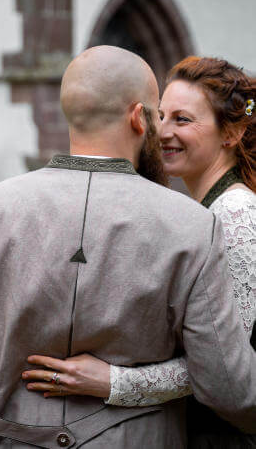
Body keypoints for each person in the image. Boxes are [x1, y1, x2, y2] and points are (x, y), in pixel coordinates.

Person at [0, 47, 256, 448]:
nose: (165, 129)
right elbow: (230, 386)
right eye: (159, 115)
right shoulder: (192, 225)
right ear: (140, 118)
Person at [22, 56, 256, 446]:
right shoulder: (205, 208)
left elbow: (225, 368)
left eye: (183, 120)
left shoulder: (236, 214)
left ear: (229, 133)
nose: (162, 131)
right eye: (161, 115)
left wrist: (112, 382)